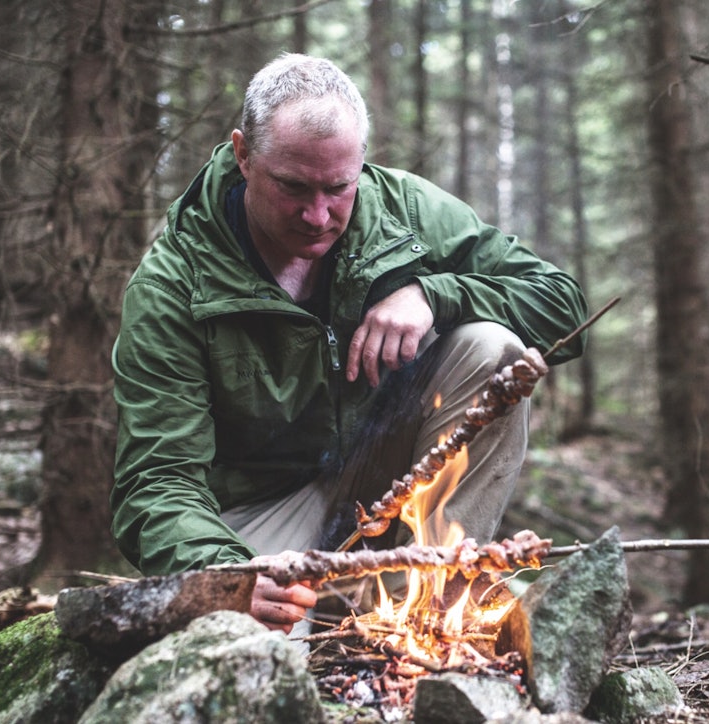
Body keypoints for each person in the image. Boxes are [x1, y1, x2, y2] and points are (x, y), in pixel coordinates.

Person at [110, 53, 587, 637]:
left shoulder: (404, 210)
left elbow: (563, 304)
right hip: (257, 517)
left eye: (339, 188)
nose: (317, 215)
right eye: (292, 187)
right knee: (257, 647)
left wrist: (436, 295)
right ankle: (337, 613)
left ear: (360, 162)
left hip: (382, 474)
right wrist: (225, 573)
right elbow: (156, 482)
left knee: (494, 350)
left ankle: (433, 612)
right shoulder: (173, 283)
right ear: (242, 154)